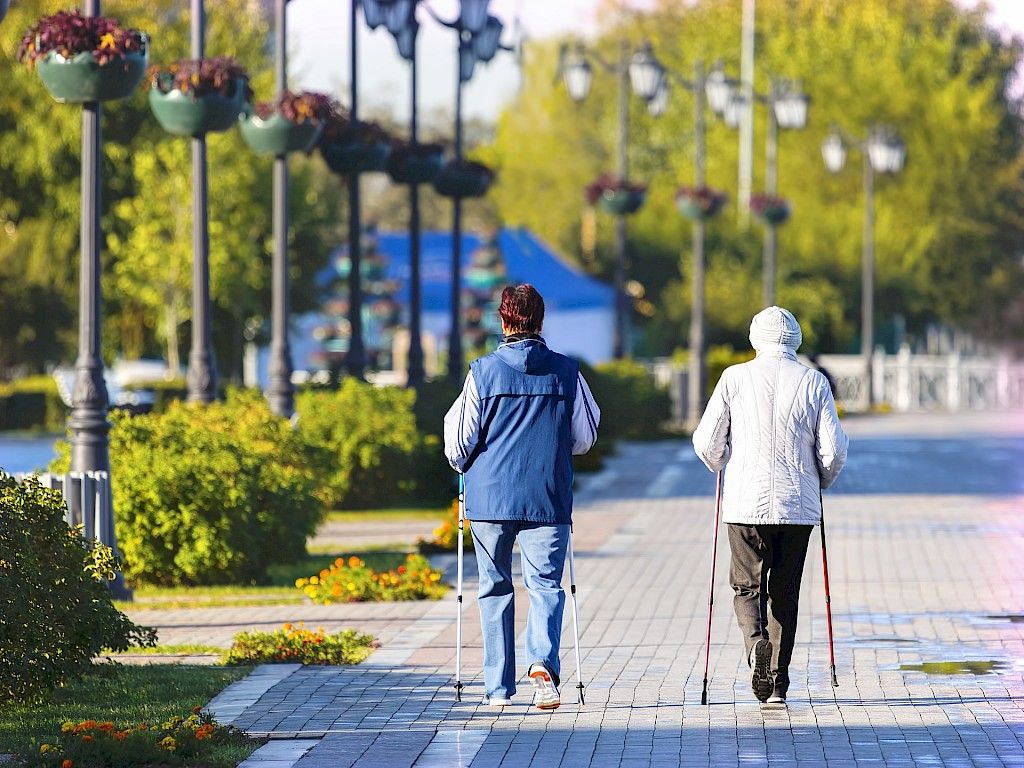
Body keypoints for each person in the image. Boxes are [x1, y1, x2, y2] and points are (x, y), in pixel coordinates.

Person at [444, 284, 600, 710]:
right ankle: (543, 670)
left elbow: (459, 442)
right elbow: (584, 437)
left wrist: (464, 465)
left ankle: (497, 689)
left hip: (490, 498)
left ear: (503, 319)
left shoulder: (482, 371)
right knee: (546, 585)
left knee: (494, 587)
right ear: (541, 320)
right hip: (547, 497)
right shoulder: (568, 373)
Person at [692, 306, 848, 705]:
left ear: (754, 338)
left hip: (744, 503)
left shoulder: (734, 378)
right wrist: (821, 482)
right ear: (796, 339)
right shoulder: (814, 382)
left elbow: (706, 441)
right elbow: (833, 450)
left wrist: (721, 462)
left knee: (746, 587)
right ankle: (777, 684)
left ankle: (755, 644)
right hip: (798, 506)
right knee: (785, 591)